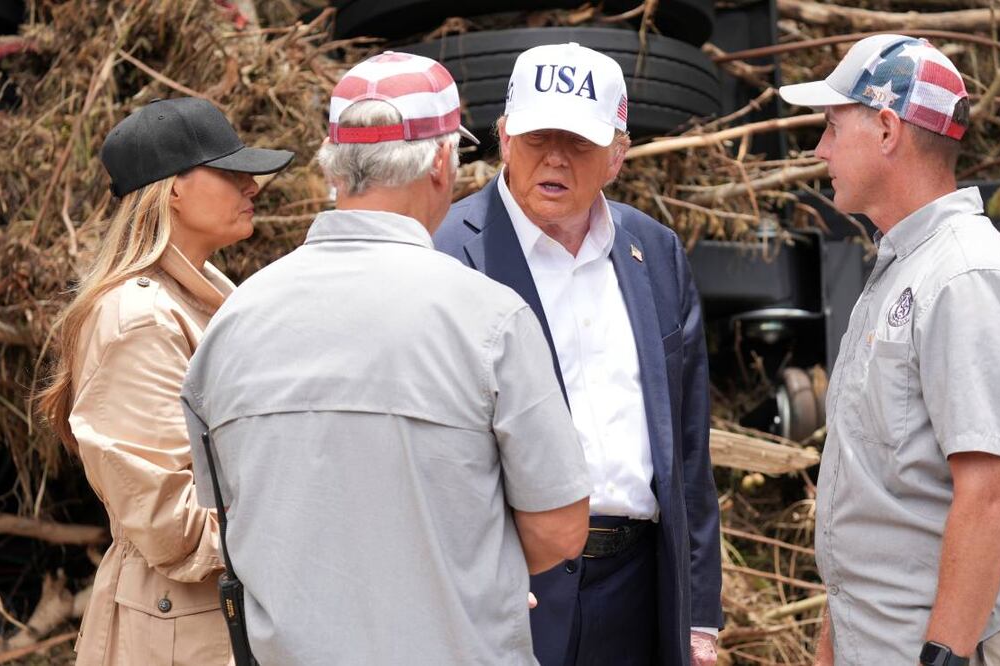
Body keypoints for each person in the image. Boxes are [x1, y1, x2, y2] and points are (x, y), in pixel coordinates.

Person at [180, 52, 592, 666]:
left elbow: (233, 517)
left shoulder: (234, 321)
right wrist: (464, 567)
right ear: (441, 161)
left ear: (333, 168)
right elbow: (559, 529)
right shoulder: (490, 320)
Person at [435, 42, 724, 666]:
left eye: (580, 142)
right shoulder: (448, 253)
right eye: (539, 137)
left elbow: (689, 448)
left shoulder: (656, 251)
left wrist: (699, 613)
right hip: (510, 585)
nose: (556, 158)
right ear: (505, 137)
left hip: (638, 586)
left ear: (617, 156)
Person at [778, 34, 1000, 666]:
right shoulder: (906, 270)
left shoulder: (967, 276)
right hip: (880, 642)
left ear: (885, 129)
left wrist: (944, 658)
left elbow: (991, 495)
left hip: (937, 650)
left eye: (830, 125)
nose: (819, 148)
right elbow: (879, 493)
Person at [36, 97, 294, 665]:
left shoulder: (200, 298)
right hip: (184, 633)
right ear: (172, 188)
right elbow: (167, 521)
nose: (253, 186)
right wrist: (301, 531)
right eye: (231, 173)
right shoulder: (139, 319)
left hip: (211, 617)